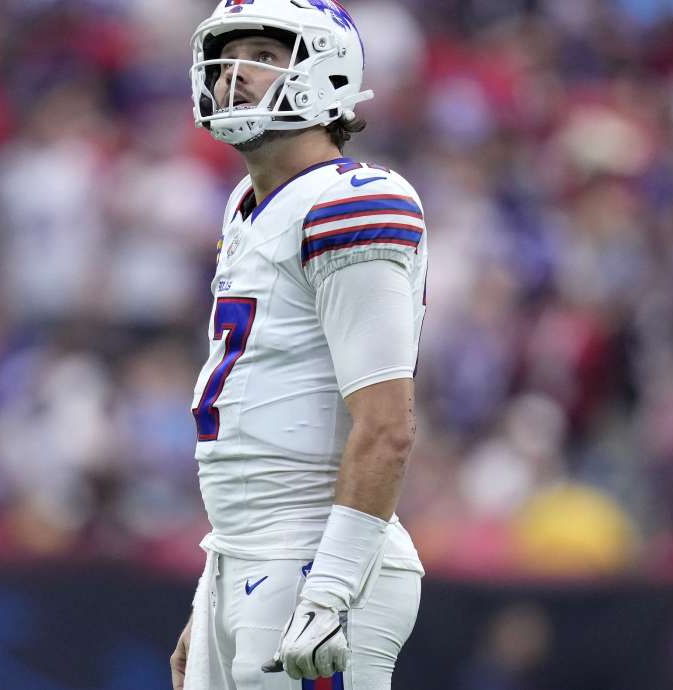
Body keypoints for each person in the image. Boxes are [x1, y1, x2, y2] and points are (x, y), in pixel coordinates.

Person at [169, 1, 428, 689]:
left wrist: (330, 591)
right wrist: (215, 587)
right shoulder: (246, 205)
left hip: (312, 556)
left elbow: (387, 425)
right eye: (226, 59)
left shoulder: (354, 200)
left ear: (328, 72)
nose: (233, 76)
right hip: (249, 558)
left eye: (262, 55)